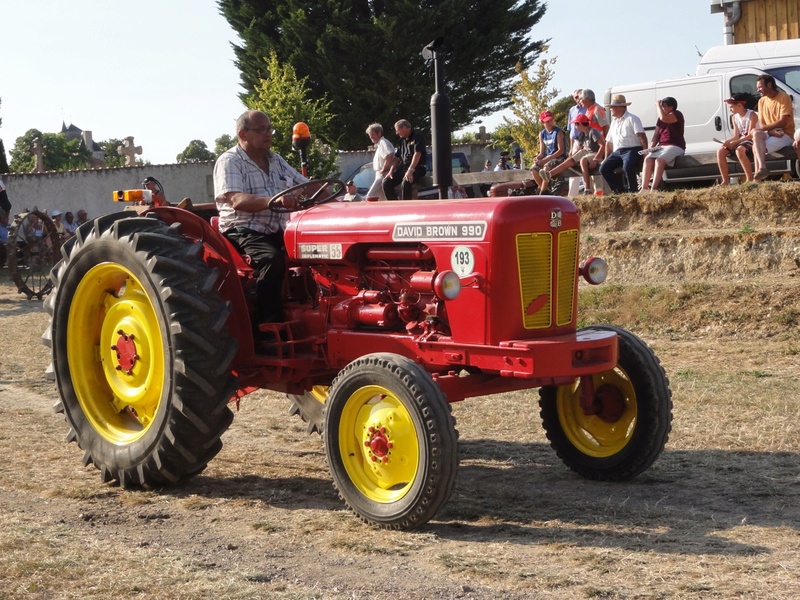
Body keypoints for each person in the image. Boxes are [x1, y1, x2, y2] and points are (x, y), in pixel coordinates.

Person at [214, 109, 308, 325]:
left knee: (313, 253)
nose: (268, 134)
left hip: (277, 229)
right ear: (243, 134)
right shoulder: (230, 161)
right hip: (242, 231)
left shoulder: (275, 160)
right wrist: (274, 201)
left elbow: (304, 184)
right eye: (261, 129)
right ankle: (268, 326)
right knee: (271, 259)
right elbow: (236, 199)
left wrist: (327, 194)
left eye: (269, 129)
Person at [539, 114, 604, 191]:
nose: (575, 127)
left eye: (575, 124)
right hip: (586, 153)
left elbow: (603, 146)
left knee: (583, 160)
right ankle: (549, 174)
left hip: (595, 153)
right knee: (570, 160)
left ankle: (587, 189)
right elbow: (580, 149)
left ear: (579, 124)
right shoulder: (582, 134)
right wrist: (571, 157)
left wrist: (596, 159)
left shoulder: (593, 131)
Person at [599, 94, 648, 194]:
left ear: (619, 107)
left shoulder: (632, 118)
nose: (611, 109)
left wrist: (645, 153)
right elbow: (609, 141)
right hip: (618, 151)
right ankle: (618, 191)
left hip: (633, 149)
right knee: (603, 168)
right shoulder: (614, 122)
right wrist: (606, 158)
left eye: (612, 107)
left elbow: (641, 136)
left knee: (627, 166)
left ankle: (632, 190)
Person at [751, 74, 795, 181]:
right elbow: (762, 124)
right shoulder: (761, 101)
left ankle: (758, 179)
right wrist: (770, 131)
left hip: (785, 134)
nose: (758, 90)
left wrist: (766, 130)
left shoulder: (784, 97)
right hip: (770, 133)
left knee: (756, 148)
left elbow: (782, 122)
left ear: (769, 85)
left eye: (760, 87)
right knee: (756, 134)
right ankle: (762, 168)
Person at [639, 97, 686, 192]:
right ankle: (644, 188)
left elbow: (664, 118)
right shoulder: (660, 119)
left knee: (659, 160)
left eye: (663, 106)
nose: (662, 108)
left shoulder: (677, 114)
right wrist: (651, 148)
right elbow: (656, 134)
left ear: (671, 107)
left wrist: (657, 105)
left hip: (675, 145)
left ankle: (654, 189)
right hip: (662, 146)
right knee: (648, 159)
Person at [716, 93, 758, 184]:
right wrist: (728, 141)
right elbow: (736, 135)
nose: (730, 109)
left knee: (739, 150)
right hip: (741, 140)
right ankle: (725, 180)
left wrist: (735, 142)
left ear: (739, 105)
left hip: (751, 140)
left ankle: (749, 177)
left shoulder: (752, 115)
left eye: (731, 107)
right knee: (720, 151)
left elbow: (750, 135)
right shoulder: (734, 117)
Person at [382, 119, 427, 200]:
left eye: (397, 130)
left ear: (405, 128)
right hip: (403, 168)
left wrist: (410, 170)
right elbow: (397, 157)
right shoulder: (401, 141)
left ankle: (405, 207)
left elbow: (418, 153)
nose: (396, 133)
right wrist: (391, 171)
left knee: (406, 183)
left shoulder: (417, 136)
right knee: (386, 183)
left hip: (417, 167)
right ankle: (395, 207)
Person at [529, 110, 567, 190]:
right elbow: (542, 152)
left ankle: (542, 193)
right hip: (548, 157)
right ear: (542, 122)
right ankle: (546, 190)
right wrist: (538, 158)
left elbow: (561, 151)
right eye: (547, 121)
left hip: (559, 158)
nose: (550, 123)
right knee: (533, 169)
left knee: (546, 168)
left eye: (551, 120)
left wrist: (546, 159)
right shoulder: (542, 134)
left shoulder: (558, 132)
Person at [365, 123, 395, 200]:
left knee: (370, 196)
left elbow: (390, 154)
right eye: (369, 135)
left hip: (383, 173)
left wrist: (383, 169)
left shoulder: (383, 142)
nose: (371, 137)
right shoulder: (380, 144)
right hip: (381, 173)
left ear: (379, 133)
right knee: (381, 199)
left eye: (372, 134)